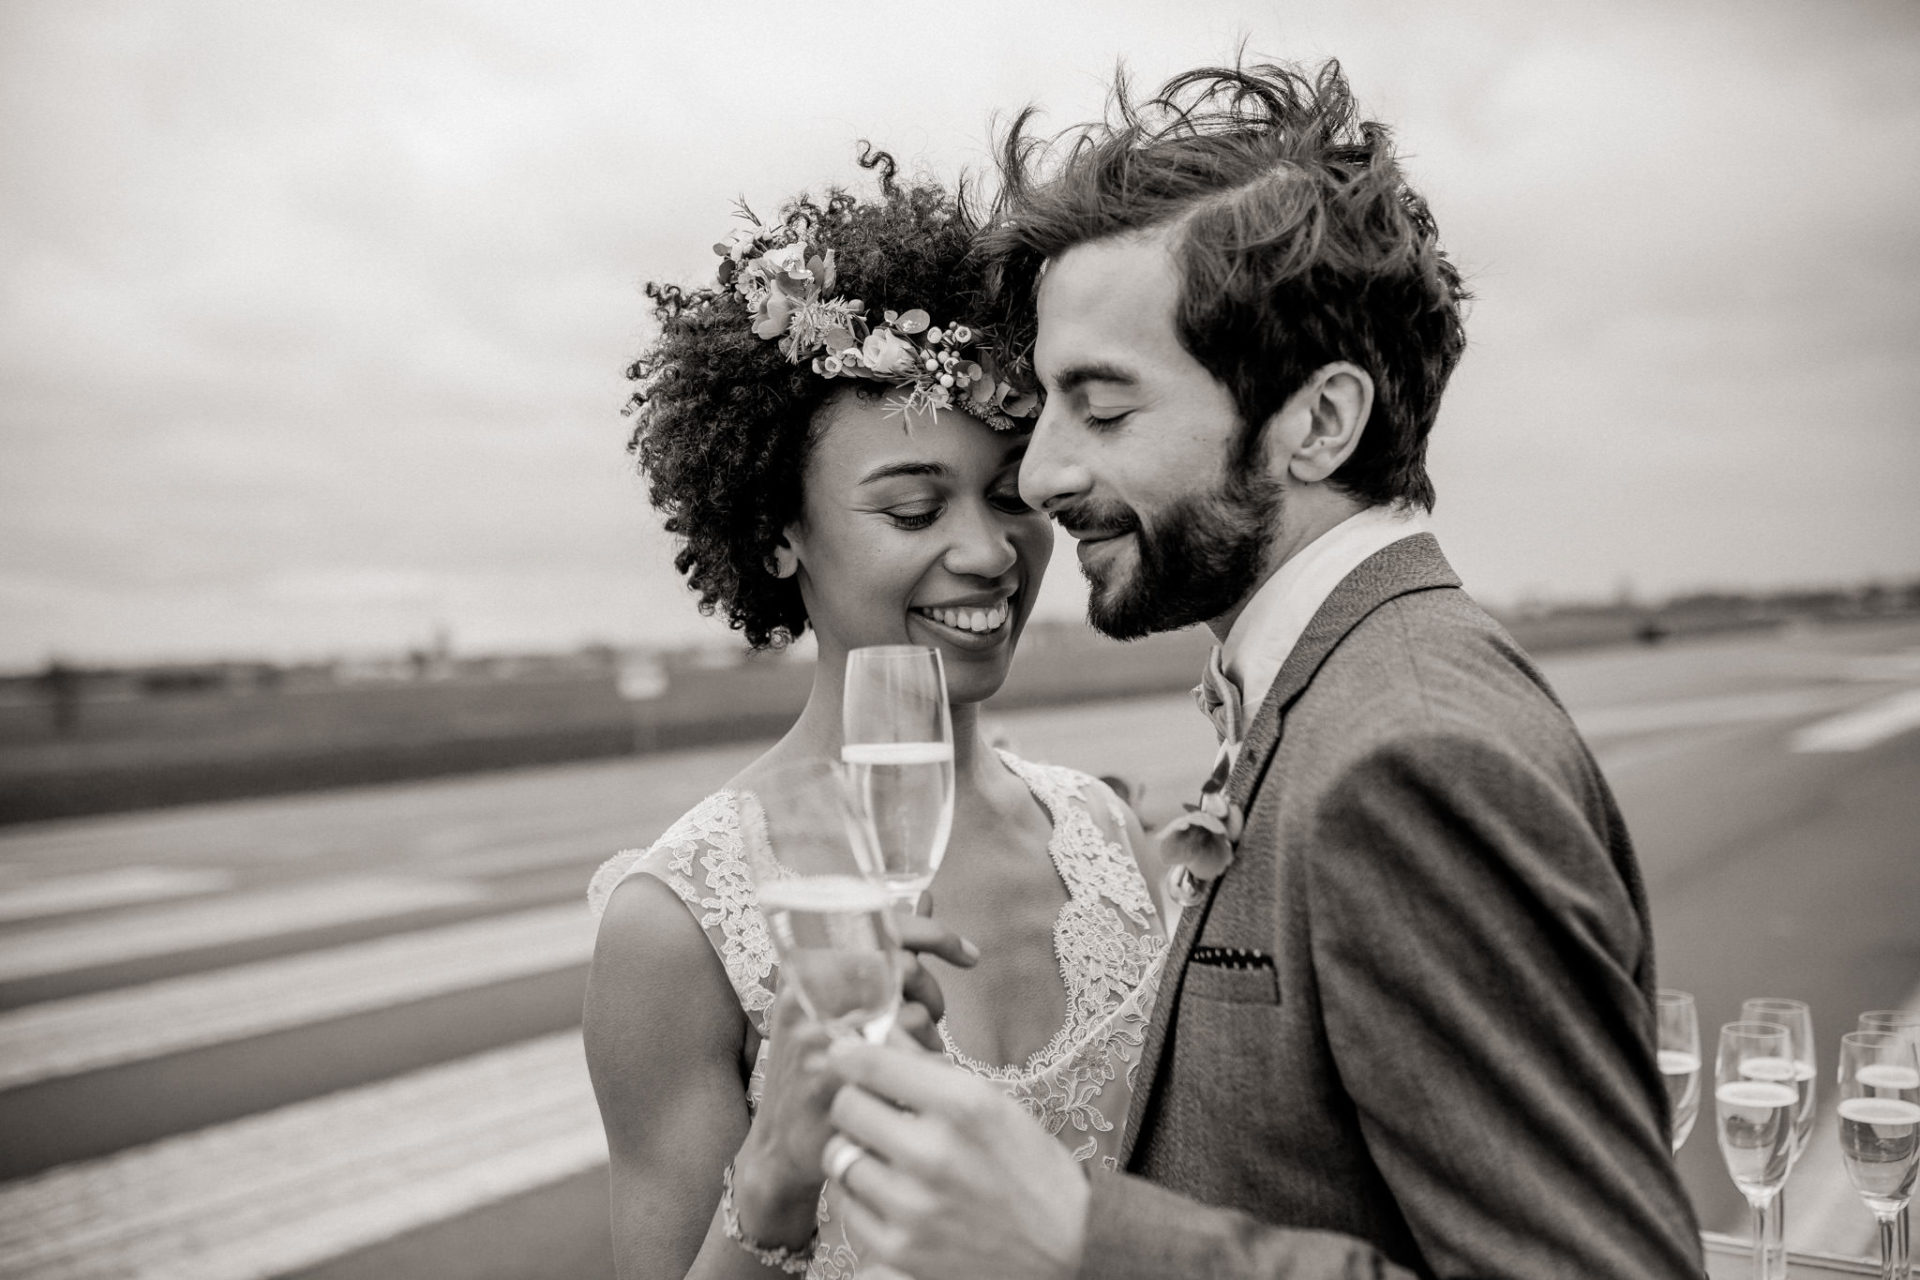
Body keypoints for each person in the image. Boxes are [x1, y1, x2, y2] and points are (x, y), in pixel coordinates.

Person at [820, 62, 1707, 1279]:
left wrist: (1083, 1237)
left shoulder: (1409, 754)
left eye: (1105, 407)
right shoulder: (1339, 679)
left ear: (1317, 421)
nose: (1040, 476)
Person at [583, 151, 1167, 1280]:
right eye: (913, 505)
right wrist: (777, 1176)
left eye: (1008, 492)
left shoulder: (1112, 836)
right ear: (777, 533)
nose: (990, 551)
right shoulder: (676, 926)